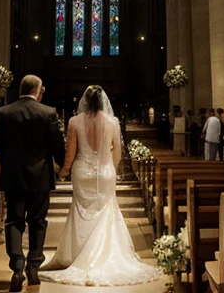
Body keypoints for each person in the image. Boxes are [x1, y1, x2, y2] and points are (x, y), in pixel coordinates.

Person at [40, 85, 162, 286]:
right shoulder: (113, 122)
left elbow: (70, 153)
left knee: (81, 212)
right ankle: (105, 256)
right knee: (106, 211)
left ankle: (77, 256)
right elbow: (118, 153)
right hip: (105, 173)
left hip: (82, 172)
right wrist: (110, 169)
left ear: (84, 101)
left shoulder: (74, 122)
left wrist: (63, 172)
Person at [0, 74, 65, 292]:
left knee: (14, 221)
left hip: (13, 175)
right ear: (38, 90)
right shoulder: (48, 112)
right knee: (38, 221)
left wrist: (9, 164)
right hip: (40, 176)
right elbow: (56, 145)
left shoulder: (4, 112)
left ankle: (17, 267)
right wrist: (63, 166)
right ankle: (34, 267)